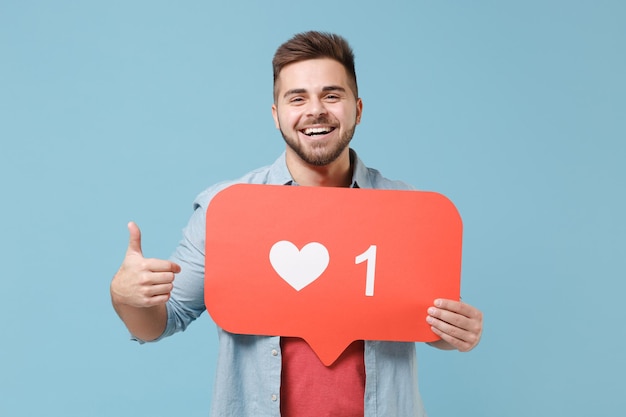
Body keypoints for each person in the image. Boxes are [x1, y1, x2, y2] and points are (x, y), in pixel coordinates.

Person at [111, 31, 483, 417]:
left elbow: (424, 321)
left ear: (357, 109)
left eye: (332, 95)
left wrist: (454, 331)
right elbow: (160, 322)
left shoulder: (407, 210)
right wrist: (126, 298)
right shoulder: (227, 210)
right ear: (276, 115)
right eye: (297, 98)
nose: (316, 110)